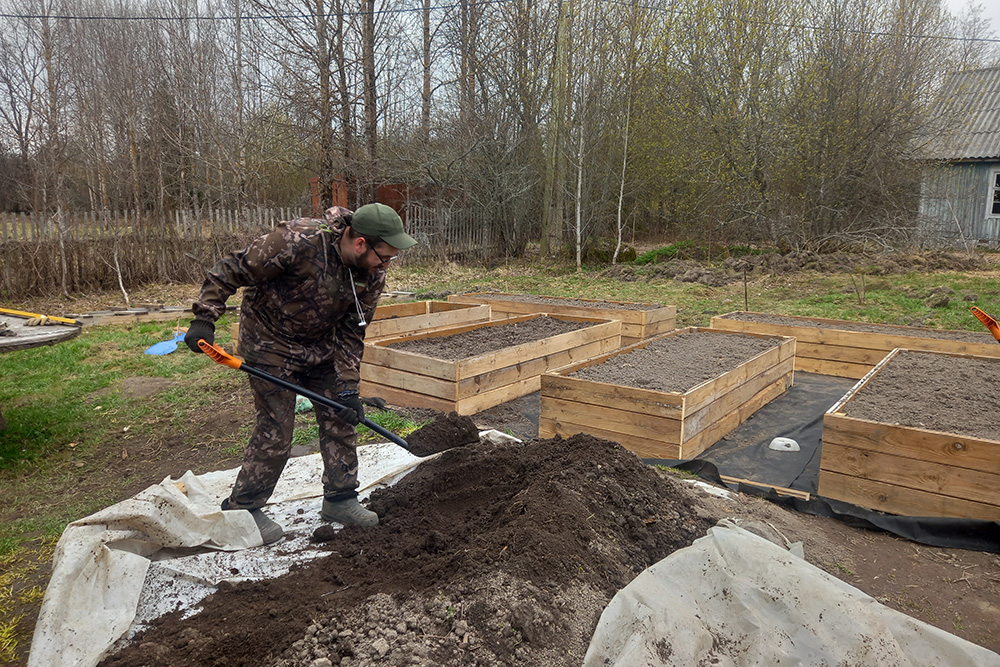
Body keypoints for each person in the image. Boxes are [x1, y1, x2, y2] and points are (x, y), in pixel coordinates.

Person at [184, 203, 417, 544]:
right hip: (270, 344)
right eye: (385, 256)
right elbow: (232, 268)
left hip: (321, 347)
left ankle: (341, 499)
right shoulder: (297, 240)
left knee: (341, 415)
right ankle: (243, 509)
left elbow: (353, 331)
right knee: (277, 428)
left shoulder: (371, 274)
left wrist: (349, 388)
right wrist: (205, 316)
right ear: (361, 243)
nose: (387, 264)